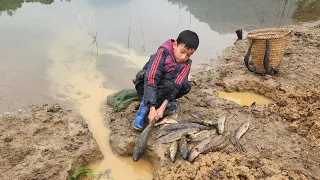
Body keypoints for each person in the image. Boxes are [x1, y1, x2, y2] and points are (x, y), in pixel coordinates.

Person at [132, 30, 199, 131]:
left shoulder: (187, 64)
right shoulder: (163, 53)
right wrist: (152, 109)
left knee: (186, 86)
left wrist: (162, 108)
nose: (184, 57)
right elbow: (151, 79)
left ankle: (164, 103)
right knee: (167, 85)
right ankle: (142, 111)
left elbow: (177, 86)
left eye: (188, 55)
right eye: (182, 52)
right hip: (145, 86)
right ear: (175, 45)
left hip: (166, 87)